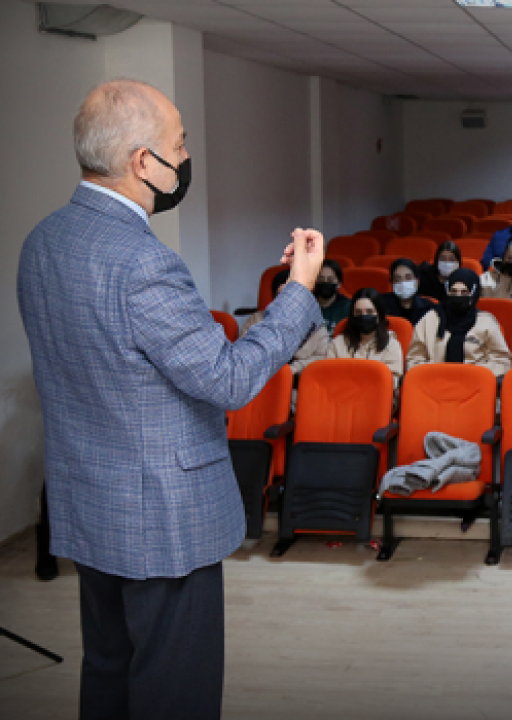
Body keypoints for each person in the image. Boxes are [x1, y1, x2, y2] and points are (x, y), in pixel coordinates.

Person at [17, 79, 326, 718]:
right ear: (142, 162)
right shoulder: (143, 262)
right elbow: (229, 380)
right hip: (162, 518)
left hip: (91, 504)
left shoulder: (43, 242)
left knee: (108, 670)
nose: (186, 158)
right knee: (174, 691)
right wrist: (297, 290)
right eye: (180, 145)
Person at [407, 268, 512, 375]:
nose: (458, 296)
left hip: (474, 380)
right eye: (453, 291)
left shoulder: (486, 322)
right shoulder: (429, 319)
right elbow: (414, 358)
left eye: (464, 292)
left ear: (473, 294)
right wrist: (434, 373)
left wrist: (475, 373)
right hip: (436, 380)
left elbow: (502, 361)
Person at [243, 268, 330, 376]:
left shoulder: (315, 322)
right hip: (263, 377)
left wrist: (294, 368)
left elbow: (322, 356)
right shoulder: (256, 320)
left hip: (301, 378)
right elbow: (245, 353)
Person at [327, 288, 404, 386]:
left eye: (370, 312)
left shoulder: (391, 345)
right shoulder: (337, 344)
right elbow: (329, 379)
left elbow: (390, 383)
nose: (364, 316)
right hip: (342, 394)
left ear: (379, 315)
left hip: (377, 394)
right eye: (358, 312)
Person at [380, 258, 434, 326]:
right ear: (392, 283)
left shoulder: (429, 307)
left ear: (417, 282)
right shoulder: (381, 303)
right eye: (398, 279)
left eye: (408, 278)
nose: (403, 283)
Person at [418, 241, 462, 305]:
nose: (447, 263)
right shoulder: (425, 274)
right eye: (443, 259)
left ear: (458, 263)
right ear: (437, 261)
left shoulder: (462, 282)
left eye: (451, 260)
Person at [315, 258, 351, 332]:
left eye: (330, 280)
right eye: (321, 279)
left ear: (339, 284)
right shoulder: (306, 305)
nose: (325, 282)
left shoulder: (348, 307)